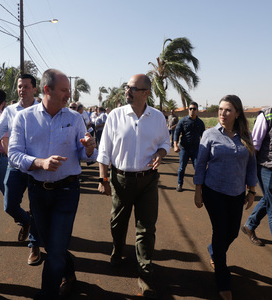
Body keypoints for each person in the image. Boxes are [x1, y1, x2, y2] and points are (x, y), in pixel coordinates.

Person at [8, 68, 97, 300]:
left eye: (69, 89)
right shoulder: (24, 118)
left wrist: (89, 148)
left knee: (55, 250)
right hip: (38, 192)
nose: (69, 94)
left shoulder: (75, 118)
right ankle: (69, 271)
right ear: (47, 90)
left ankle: (47, 294)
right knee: (50, 244)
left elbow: (86, 155)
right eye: (64, 90)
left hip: (67, 191)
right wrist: (40, 162)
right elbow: (14, 154)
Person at [97, 74, 170, 299]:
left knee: (146, 227)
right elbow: (104, 150)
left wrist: (160, 153)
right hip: (120, 180)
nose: (127, 91)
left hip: (148, 180)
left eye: (133, 88)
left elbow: (165, 143)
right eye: (127, 87)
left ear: (146, 93)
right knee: (118, 222)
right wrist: (103, 179)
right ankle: (117, 251)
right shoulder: (115, 116)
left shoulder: (157, 117)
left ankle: (145, 274)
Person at [194, 95, 257, 300]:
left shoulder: (245, 135)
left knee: (232, 233)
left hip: (237, 193)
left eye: (228, 110)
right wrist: (198, 190)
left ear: (237, 113)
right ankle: (223, 279)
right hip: (214, 191)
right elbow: (201, 163)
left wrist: (251, 191)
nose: (222, 113)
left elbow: (251, 165)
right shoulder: (209, 134)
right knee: (220, 231)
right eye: (220, 109)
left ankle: (214, 250)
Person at [0, 74, 41, 265]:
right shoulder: (9, 111)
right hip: (15, 165)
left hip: (36, 166)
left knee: (36, 206)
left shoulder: (42, 109)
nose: (22, 90)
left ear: (35, 89)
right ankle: (25, 220)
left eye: (26, 86)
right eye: (20, 86)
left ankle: (34, 246)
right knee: (9, 205)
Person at [241, 81, 272, 273]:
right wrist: (248, 176)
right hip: (270, 168)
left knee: (270, 201)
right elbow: (255, 146)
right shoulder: (268, 114)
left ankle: (249, 225)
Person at [174, 102, 205, 192]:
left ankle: (198, 186)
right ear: (188, 110)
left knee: (197, 168)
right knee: (182, 167)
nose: (192, 110)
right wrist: (175, 145)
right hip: (184, 148)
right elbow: (177, 133)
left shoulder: (200, 122)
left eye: (194, 109)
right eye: (190, 109)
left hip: (196, 149)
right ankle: (180, 184)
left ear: (197, 110)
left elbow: (204, 136)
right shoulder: (183, 121)